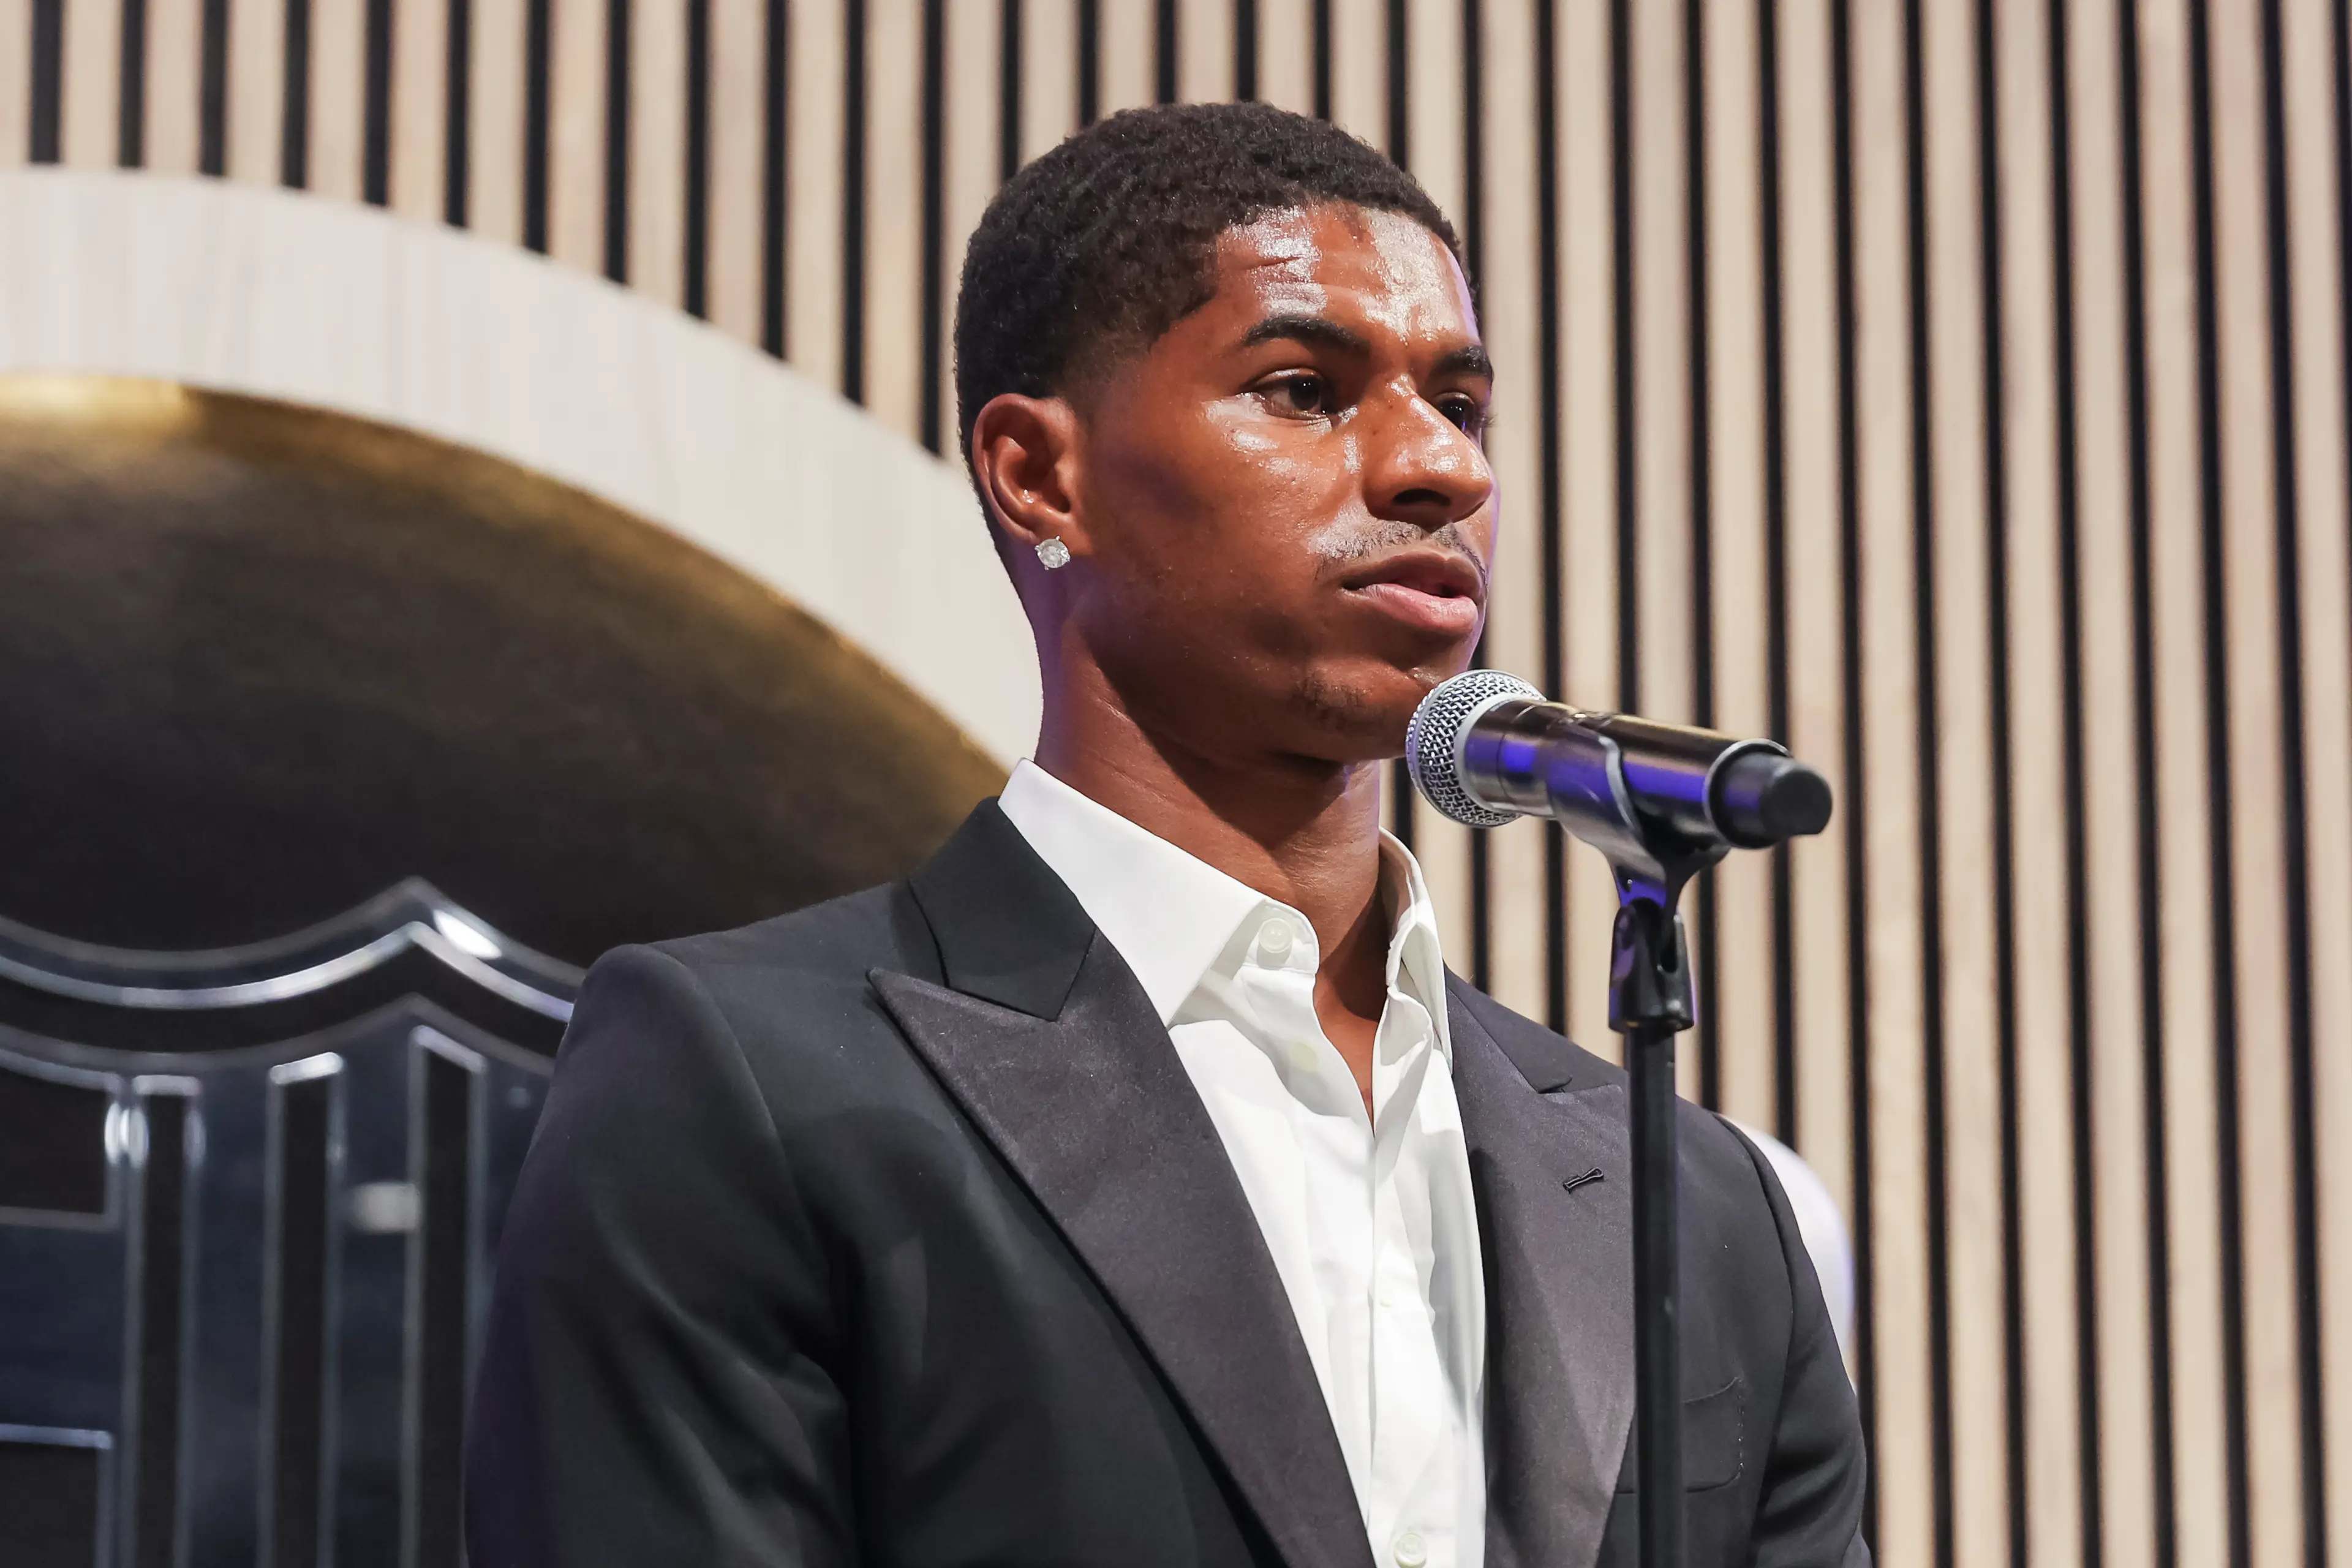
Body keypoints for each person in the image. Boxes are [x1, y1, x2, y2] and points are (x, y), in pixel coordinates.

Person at [462, 102, 1868, 1568]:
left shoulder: (1696, 1203)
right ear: (1039, 475)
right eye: (1305, 388)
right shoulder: (747, 1082)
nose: (1438, 468)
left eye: (1460, 405)